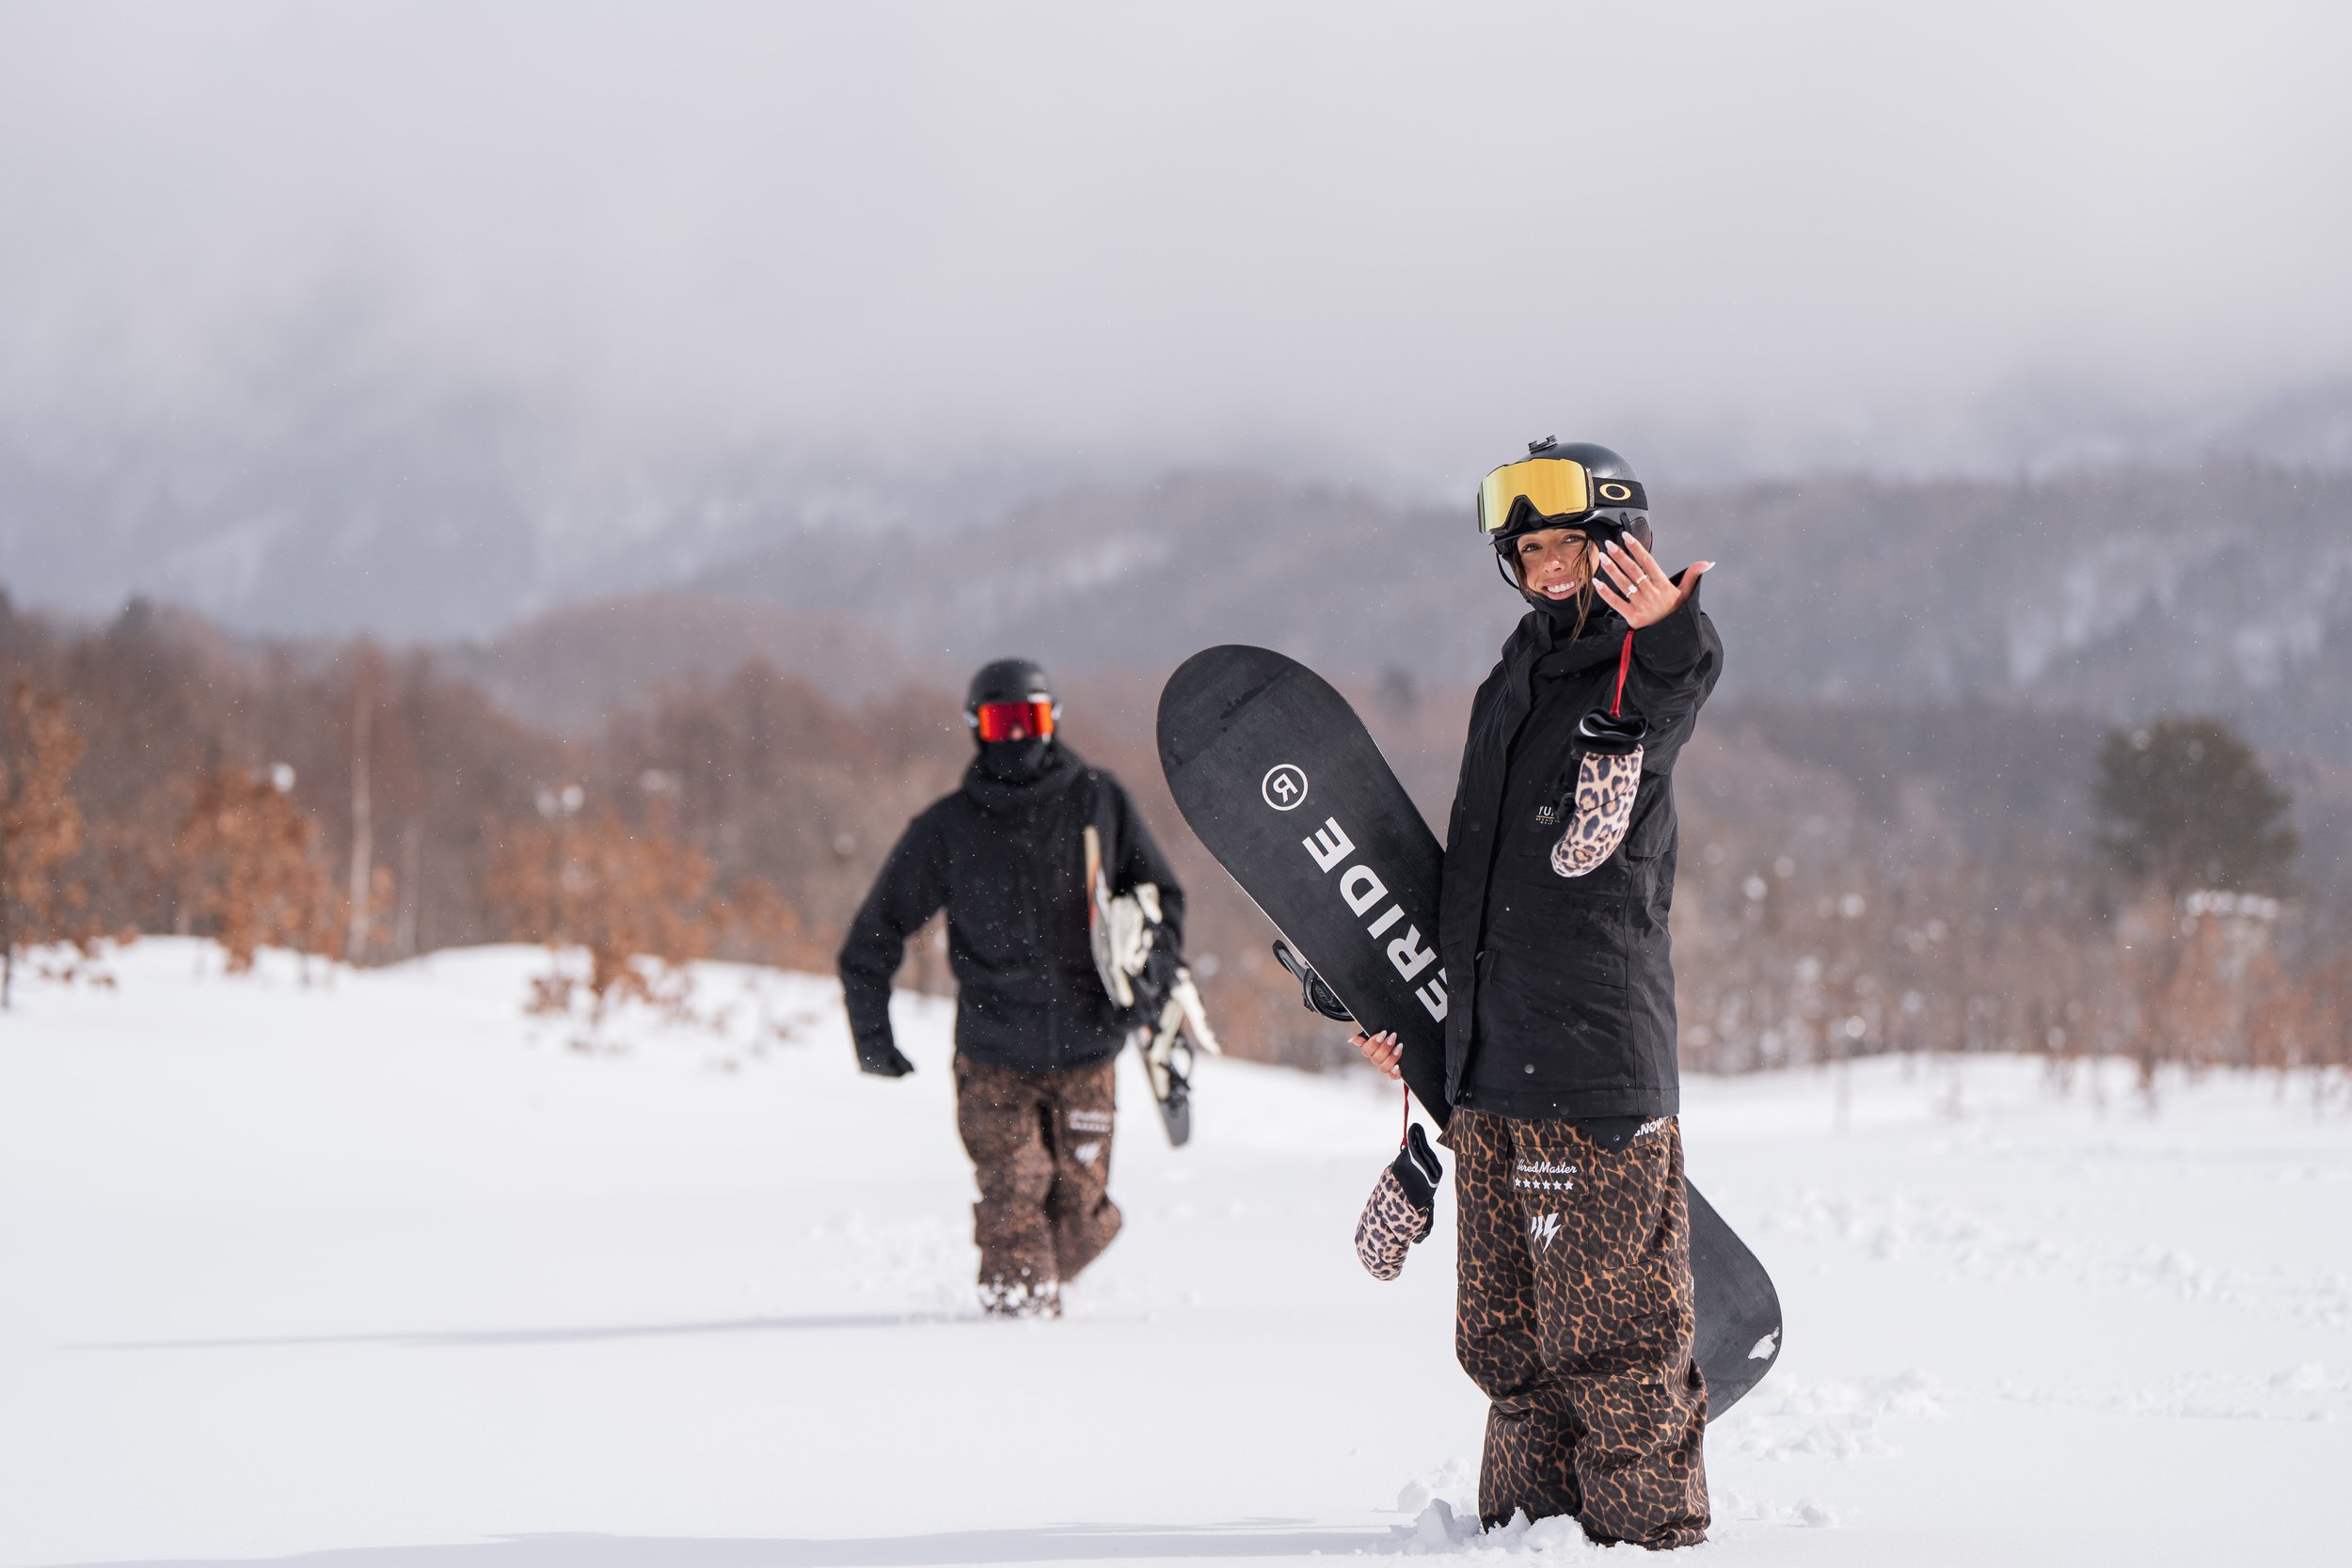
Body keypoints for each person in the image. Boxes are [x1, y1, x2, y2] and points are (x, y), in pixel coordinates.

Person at [1356, 439, 1722, 1548]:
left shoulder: (1634, 668)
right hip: (1491, 1072)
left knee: (1610, 1343)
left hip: (1593, 1069)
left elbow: (1676, 679)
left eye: (1566, 542)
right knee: (1508, 1345)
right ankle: (1520, 1534)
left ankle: (1644, 1538)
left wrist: (1664, 626)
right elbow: (1473, 880)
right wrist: (1423, 1031)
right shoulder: (1508, 681)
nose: (1545, 564)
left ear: (1617, 545)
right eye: (1527, 548)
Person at [839, 657, 1185, 1319]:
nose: (1020, 735)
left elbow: (1160, 897)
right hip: (993, 1059)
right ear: (977, 728)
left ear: (1055, 720)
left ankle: (1046, 1275)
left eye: (1034, 718)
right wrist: (873, 1037)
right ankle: (1015, 1341)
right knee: (1015, 1194)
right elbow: (871, 938)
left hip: (1090, 1049)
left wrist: (1151, 984)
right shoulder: (946, 828)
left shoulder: (1097, 799)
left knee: (1081, 1215)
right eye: (1005, 721)